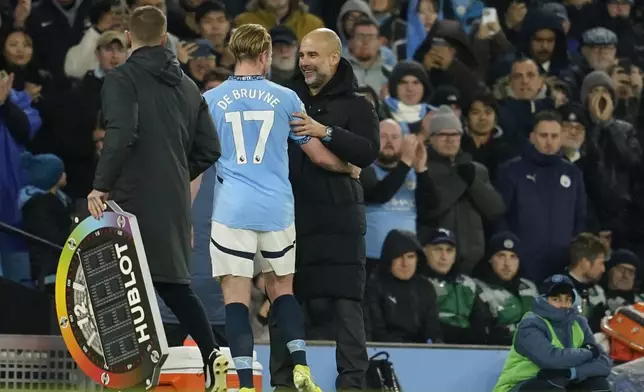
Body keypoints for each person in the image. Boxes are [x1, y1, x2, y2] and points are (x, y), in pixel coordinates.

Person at [86, 6, 226, 392]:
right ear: (166, 40)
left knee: (118, 287)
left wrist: (101, 185)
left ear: (129, 38)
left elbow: (120, 133)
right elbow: (210, 148)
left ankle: (126, 374)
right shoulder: (187, 87)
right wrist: (179, 175)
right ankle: (213, 352)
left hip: (129, 199)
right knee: (173, 285)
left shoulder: (122, 78)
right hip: (173, 201)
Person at [203, 23, 347, 392]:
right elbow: (318, 157)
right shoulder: (286, 98)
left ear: (235, 53)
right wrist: (350, 166)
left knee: (235, 299)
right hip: (277, 210)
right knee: (282, 291)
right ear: (265, 55)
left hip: (232, 210)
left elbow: (194, 163)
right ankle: (301, 367)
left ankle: (247, 383)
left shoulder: (210, 100)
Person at [268, 27, 379, 391]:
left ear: (334, 57)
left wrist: (324, 131)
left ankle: (352, 386)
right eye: (302, 55)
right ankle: (284, 384)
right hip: (292, 218)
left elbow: (367, 152)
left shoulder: (357, 105)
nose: (304, 62)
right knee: (285, 304)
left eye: (313, 55)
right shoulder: (286, 101)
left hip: (340, 222)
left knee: (347, 308)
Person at [493, 274, 612, 392]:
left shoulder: (579, 323)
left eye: (568, 299)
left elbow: (604, 363)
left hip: (563, 382)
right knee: (553, 383)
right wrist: (589, 352)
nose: (563, 305)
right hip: (519, 386)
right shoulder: (530, 324)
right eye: (556, 299)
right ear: (543, 300)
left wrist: (572, 372)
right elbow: (550, 359)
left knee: (598, 384)